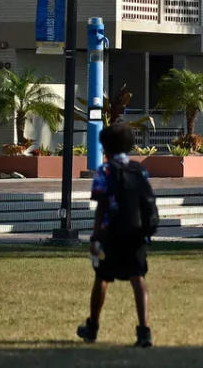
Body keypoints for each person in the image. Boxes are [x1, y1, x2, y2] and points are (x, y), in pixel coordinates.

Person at [77, 122, 159, 348]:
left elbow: (101, 207)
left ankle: (92, 328)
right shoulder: (140, 170)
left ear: (105, 147)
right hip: (136, 233)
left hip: (110, 235)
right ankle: (144, 332)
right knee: (138, 278)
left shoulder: (104, 171)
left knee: (102, 278)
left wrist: (96, 238)